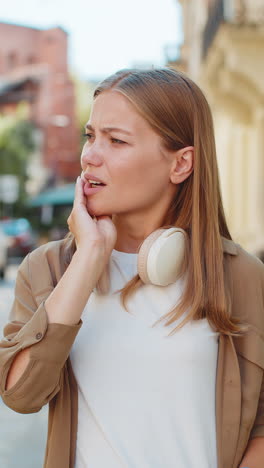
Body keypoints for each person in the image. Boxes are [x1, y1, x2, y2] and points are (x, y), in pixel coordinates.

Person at [0, 68, 263, 468]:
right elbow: (20, 395)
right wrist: (88, 259)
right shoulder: (49, 268)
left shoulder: (239, 274)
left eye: (116, 140)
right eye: (90, 136)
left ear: (181, 164)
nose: (90, 155)